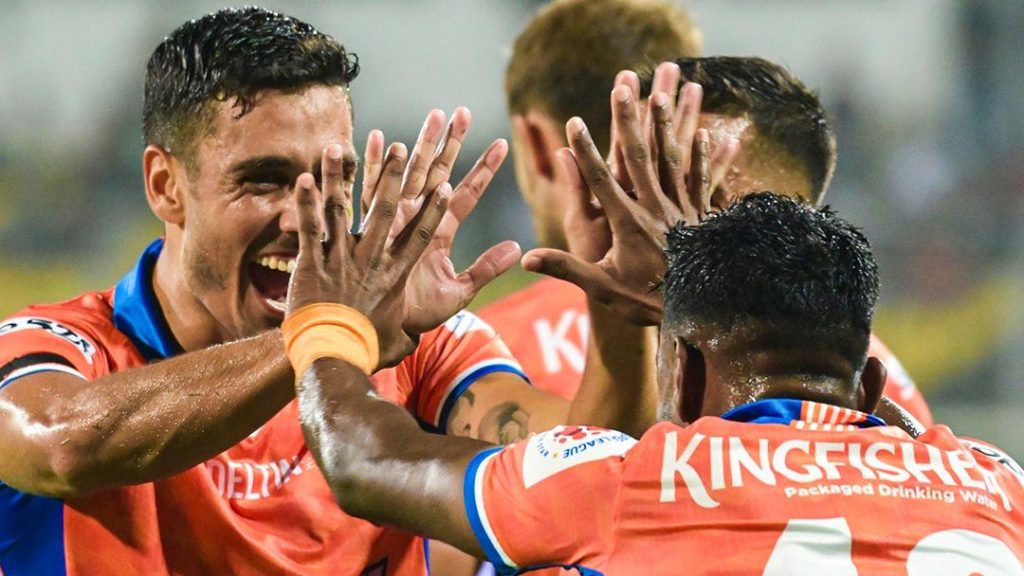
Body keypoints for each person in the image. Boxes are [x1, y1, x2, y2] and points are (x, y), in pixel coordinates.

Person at [282, 88, 1024, 573]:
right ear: (869, 379)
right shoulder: (997, 480)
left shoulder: (629, 479)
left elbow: (360, 461)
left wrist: (328, 312)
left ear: (687, 369)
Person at [0, 7, 590, 575]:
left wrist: (626, 328)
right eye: (264, 181)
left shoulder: (415, 343)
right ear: (164, 186)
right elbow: (61, 445)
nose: (304, 218)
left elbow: (581, 473)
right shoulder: (56, 345)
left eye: (332, 179)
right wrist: (326, 336)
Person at [482, 42, 934, 425]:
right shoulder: (507, 348)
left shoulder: (862, 370)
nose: (653, 222)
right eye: (636, 188)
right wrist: (622, 321)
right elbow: (569, 511)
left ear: (801, 223)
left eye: (700, 195)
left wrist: (689, 306)